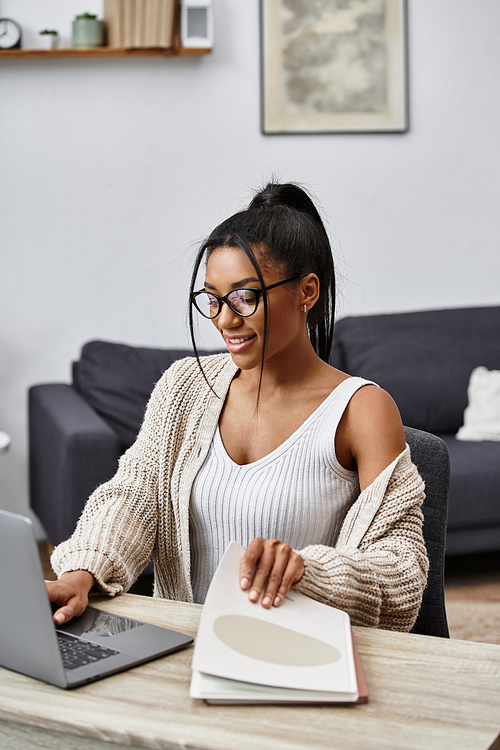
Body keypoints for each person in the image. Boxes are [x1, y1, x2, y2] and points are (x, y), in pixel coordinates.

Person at [48, 182, 428, 631]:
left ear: (307, 291)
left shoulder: (362, 409)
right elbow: (134, 495)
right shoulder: (185, 386)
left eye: (246, 297)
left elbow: (402, 568)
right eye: (212, 299)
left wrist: (309, 572)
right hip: (182, 649)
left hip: (299, 651)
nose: (225, 320)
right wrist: (81, 572)